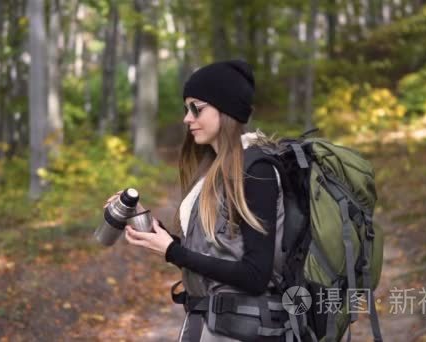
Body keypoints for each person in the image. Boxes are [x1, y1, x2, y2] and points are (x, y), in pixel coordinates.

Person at [104, 60, 290, 342]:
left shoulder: (256, 171)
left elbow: (255, 274)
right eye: (186, 108)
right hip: (209, 326)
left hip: (239, 331)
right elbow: (217, 259)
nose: (187, 118)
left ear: (225, 109)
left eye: (197, 108)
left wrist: (173, 252)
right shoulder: (216, 171)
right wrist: (162, 236)